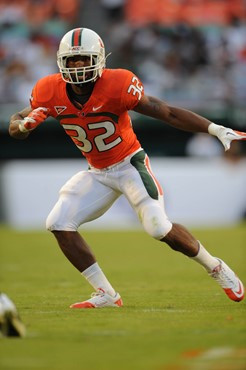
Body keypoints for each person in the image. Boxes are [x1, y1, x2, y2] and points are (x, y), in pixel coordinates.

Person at [9, 28, 245, 308]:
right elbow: (16, 125)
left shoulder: (118, 83)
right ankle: (106, 294)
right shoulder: (48, 90)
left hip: (129, 165)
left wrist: (214, 128)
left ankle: (215, 266)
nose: (78, 66)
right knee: (58, 223)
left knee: (159, 228)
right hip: (97, 172)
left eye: (84, 59)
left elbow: (164, 111)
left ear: (98, 59)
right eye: (72, 61)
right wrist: (23, 126)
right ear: (61, 61)